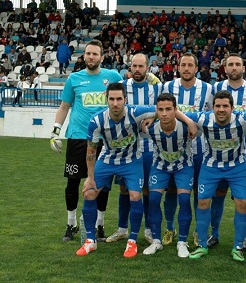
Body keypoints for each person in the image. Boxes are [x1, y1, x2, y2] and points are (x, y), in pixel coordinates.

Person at [50, 40, 123, 242]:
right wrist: (56, 131)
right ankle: (71, 224)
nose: (91, 57)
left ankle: (99, 226)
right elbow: (64, 106)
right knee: (73, 182)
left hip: (105, 139)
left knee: (103, 183)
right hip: (78, 137)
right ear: (84, 56)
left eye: (95, 54)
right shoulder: (74, 79)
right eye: (88, 54)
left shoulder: (113, 77)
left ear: (102, 57)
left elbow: (125, 99)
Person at [75, 82, 157, 257]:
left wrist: (153, 117)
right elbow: (91, 152)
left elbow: (162, 108)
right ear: (106, 100)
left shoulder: (135, 112)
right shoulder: (97, 121)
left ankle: (132, 241)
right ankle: (91, 240)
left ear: (125, 100)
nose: (115, 103)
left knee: (135, 195)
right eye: (111, 99)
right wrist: (90, 177)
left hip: (132, 161)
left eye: (119, 99)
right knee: (89, 192)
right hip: (107, 160)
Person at [187, 90, 246, 262]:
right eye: (218, 106)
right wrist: (189, 123)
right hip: (211, 166)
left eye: (225, 106)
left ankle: (237, 246)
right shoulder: (204, 119)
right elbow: (174, 110)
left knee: (242, 203)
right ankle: (202, 245)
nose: (221, 110)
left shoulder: (242, 119)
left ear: (232, 108)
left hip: (237, 167)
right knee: (203, 201)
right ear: (212, 107)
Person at [105, 53, 163, 245]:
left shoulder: (157, 87)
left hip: (149, 147)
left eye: (141, 66)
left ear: (148, 68)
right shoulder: (122, 87)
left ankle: (147, 229)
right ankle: (122, 228)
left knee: (145, 189)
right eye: (134, 66)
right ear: (130, 67)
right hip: (126, 148)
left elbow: (164, 108)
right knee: (124, 189)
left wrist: (153, 117)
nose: (137, 70)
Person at [211, 54, 246, 250]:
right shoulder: (216, 88)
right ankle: (214, 233)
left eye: (237, 64)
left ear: (244, 68)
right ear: (225, 68)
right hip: (219, 153)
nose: (234, 68)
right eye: (230, 65)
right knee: (218, 193)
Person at [162, 53, 213, 247]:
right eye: (183, 65)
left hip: (199, 149)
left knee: (198, 192)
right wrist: (189, 120)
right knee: (172, 191)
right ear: (178, 67)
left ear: (196, 68)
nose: (186, 68)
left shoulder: (207, 89)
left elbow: (211, 116)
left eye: (190, 65)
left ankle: (198, 231)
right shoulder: (168, 87)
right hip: (173, 149)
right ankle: (169, 228)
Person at [142, 94, 196, 258]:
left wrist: (189, 121)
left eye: (168, 109)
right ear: (156, 111)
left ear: (175, 110)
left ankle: (182, 242)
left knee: (185, 200)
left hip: (183, 167)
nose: (164, 113)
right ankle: (156, 241)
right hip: (160, 167)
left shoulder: (186, 126)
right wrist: (152, 116)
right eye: (160, 110)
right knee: (153, 200)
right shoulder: (149, 127)